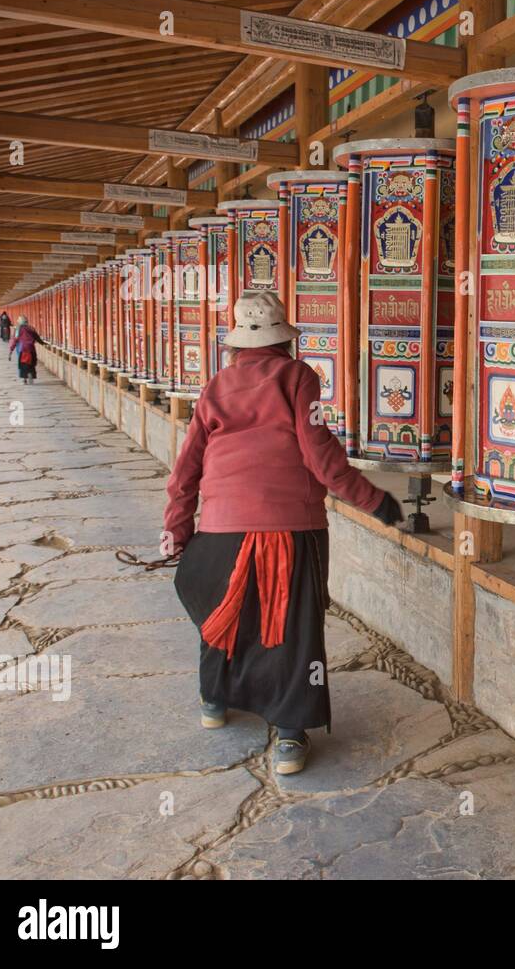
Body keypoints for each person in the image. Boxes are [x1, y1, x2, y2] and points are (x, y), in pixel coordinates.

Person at [163, 292, 404, 776]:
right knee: (294, 627)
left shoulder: (215, 386)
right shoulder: (299, 377)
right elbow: (321, 456)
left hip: (221, 527)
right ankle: (290, 736)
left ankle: (215, 699)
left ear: (236, 346)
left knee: (225, 612)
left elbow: (186, 465)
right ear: (285, 341)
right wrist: (375, 500)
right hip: (291, 527)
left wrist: (177, 528)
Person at [8, 315, 44, 384]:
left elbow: (15, 340)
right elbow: (37, 337)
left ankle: (24, 379)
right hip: (31, 349)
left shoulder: (18, 329)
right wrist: (43, 343)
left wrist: (11, 351)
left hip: (23, 349)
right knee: (32, 363)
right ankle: (30, 374)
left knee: (22, 364)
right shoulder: (31, 328)